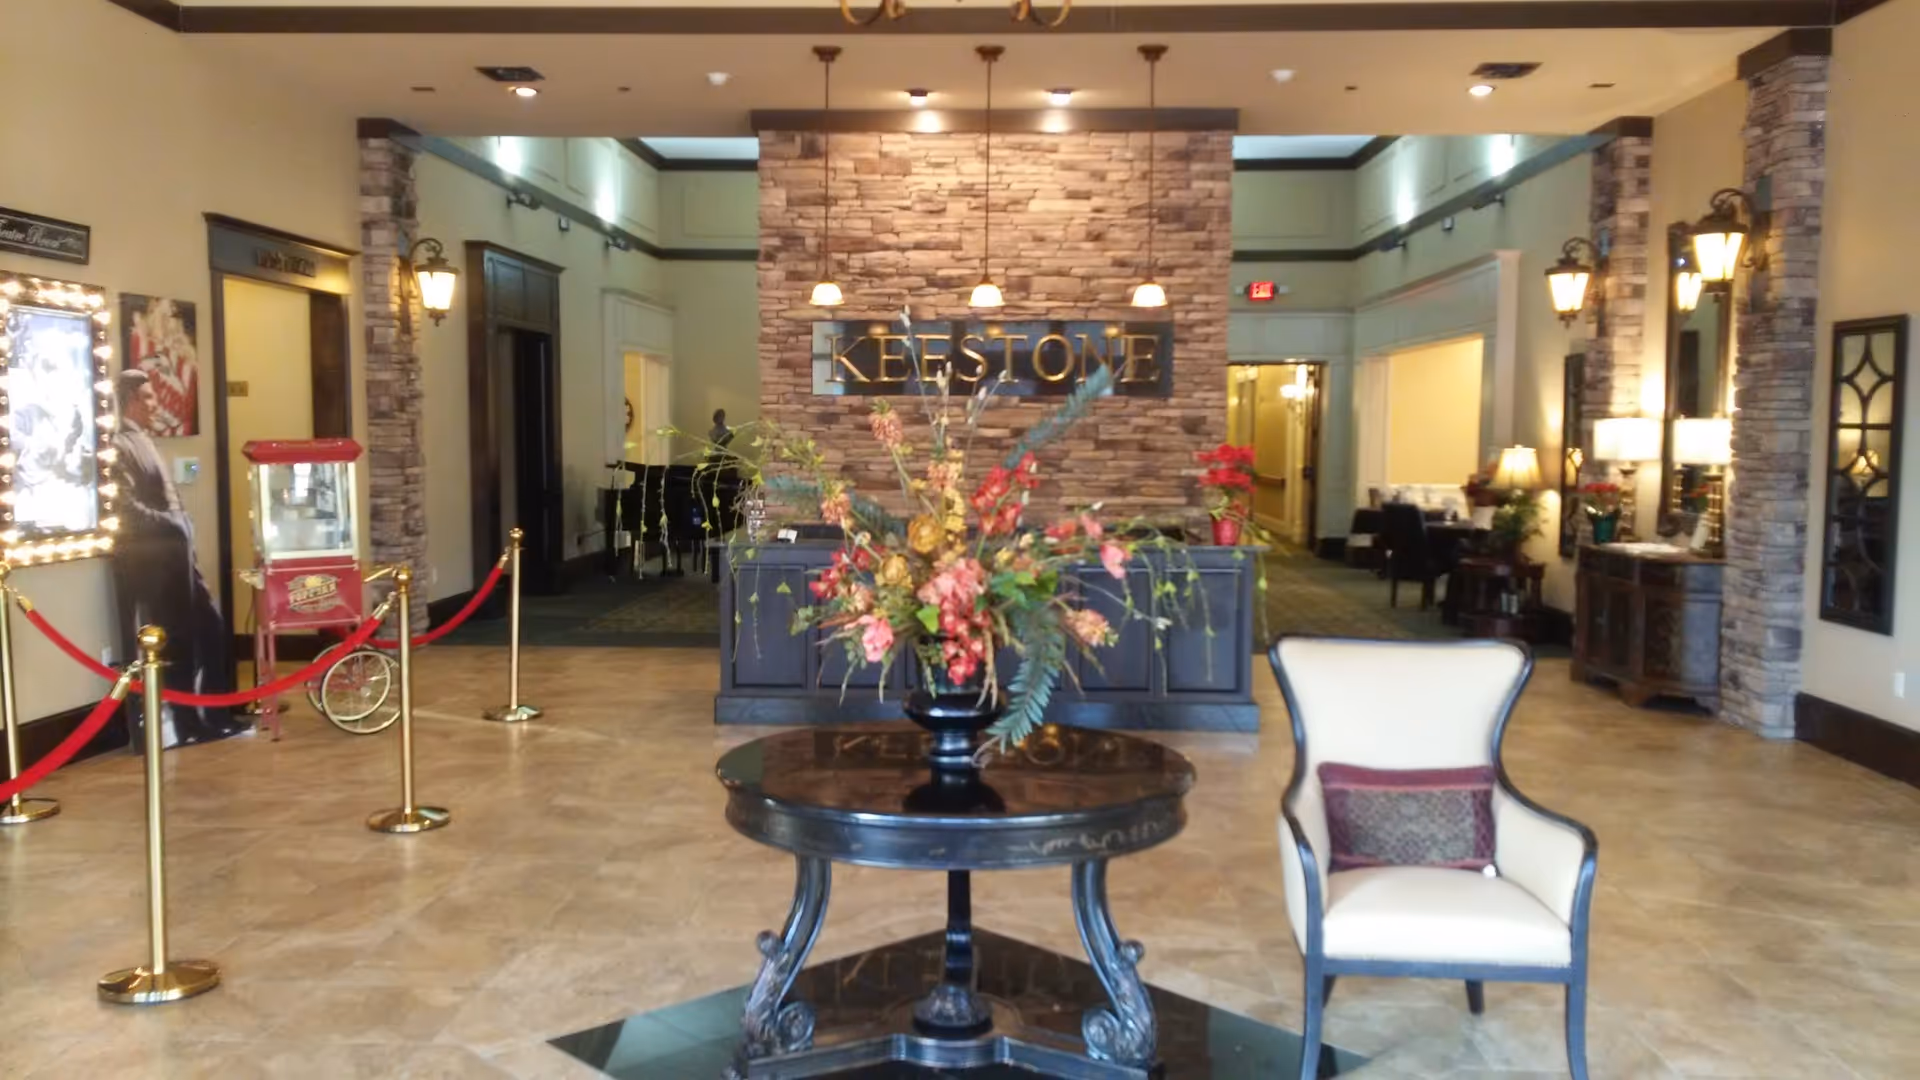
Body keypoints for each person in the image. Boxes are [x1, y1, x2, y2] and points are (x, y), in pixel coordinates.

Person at [110, 370, 247, 747]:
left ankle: (214, 715)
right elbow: (127, 508)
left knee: (211, 629)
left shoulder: (144, 441)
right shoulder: (121, 444)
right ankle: (192, 725)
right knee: (181, 643)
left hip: (179, 560)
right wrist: (173, 524)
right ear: (135, 400)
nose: (156, 405)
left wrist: (182, 529)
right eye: (150, 398)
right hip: (155, 564)